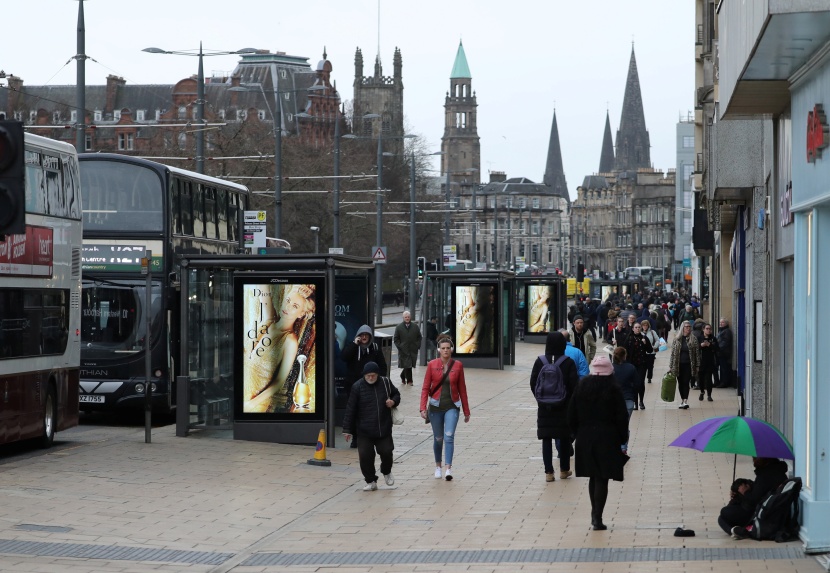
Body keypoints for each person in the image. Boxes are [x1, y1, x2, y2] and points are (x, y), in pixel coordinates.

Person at [568, 355, 629, 530]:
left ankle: (594, 513)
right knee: (603, 477)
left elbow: (571, 413)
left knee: (593, 475)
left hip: (585, 437)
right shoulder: (613, 389)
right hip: (607, 438)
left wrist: (576, 432)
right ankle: (597, 517)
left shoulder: (582, 387)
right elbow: (622, 417)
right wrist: (622, 438)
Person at [243, 284, 316, 413]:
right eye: (288, 300)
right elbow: (262, 287)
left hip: (256, 402)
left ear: (301, 314)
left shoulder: (290, 340)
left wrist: (251, 404)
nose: (287, 307)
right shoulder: (270, 321)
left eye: (295, 306)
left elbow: (279, 381)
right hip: (244, 390)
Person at [342, 362, 400, 491]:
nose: (370, 378)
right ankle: (370, 480)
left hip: (383, 428)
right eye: (368, 376)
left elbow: (396, 394)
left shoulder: (385, 382)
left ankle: (386, 471)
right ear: (364, 375)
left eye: (373, 375)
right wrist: (347, 430)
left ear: (377, 375)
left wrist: (393, 401)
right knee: (365, 456)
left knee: (386, 452)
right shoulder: (357, 387)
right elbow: (351, 409)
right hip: (364, 430)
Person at [530, 331, 579, 482]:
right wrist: (569, 401)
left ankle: (549, 472)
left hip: (545, 407)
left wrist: (541, 399)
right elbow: (574, 385)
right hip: (563, 406)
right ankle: (564, 470)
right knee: (564, 438)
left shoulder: (540, 361)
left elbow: (533, 383)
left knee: (546, 439)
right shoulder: (568, 362)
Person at [420, 334, 471, 481]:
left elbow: (463, 389)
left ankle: (448, 468)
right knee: (438, 438)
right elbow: (425, 388)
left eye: (448, 348)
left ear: (452, 349)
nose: (446, 351)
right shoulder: (432, 365)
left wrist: (466, 411)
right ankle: (438, 466)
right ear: (438, 350)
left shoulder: (458, 366)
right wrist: (422, 407)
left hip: (452, 406)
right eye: (443, 348)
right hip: (435, 407)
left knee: (449, 436)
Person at [341, 325, 388, 447]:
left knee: (366, 412)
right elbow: (344, 357)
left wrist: (379, 381)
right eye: (362, 335)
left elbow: (382, 366)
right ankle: (355, 438)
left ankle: (366, 438)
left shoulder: (375, 348)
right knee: (354, 412)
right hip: (353, 386)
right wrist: (354, 344)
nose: (364, 337)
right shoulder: (353, 347)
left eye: (366, 335)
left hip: (370, 386)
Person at [718, 457, 789, 537]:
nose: (754, 460)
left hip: (759, 512)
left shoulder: (765, 475)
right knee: (723, 517)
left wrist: (745, 492)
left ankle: (737, 531)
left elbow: (753, 500)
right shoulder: (776, 471)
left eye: (756, 458)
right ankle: (734, 530)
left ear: (765, 459)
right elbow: (761, 490)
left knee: (723, 513)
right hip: (768, 509)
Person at [611, 347, 639, 454]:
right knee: (625, 424)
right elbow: (637, 384)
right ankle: (623, 447)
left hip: (614, 401)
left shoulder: (611, 369)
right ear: (624, 356)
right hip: (628, 400)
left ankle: (616, 445)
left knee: (614, 424)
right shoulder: (631, 368)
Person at [668, 321, 700, 409]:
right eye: (686, 327)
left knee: (686, 382)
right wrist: (670, 366)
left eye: (689, 326)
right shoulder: (677, 339)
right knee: (680, 382)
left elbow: (697, 353)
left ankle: (685, 400)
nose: (688, 328)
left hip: (689, 365)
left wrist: (697, 365)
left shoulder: (693, 339)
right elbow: (673, 353)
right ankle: (682, 399)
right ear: (682, 328)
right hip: (678, 365)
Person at [624, 321, 649, 410]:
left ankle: (641, 401)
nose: (638, 329)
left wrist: (645, 343)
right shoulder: (629, 338)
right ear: (633, 329)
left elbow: (649, 350)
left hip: (642, 364)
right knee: (634, 384)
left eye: (639, 327)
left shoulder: (644, 337)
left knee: (640, 383)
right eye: (636, 327)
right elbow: (625, 351)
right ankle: (635, 402)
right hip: (632, 365)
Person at [393, 311, 422, 385]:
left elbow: (419, 337)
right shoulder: (399, 327)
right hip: (404, 350)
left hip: (413, 349)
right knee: (408, 365)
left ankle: (402, 376)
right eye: (405, 317)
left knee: (409, 365)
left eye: (408, 317)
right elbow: (396, 339)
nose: (407, 318)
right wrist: (400, 346)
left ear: (410, 317)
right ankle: (410, 381)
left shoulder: (415, 326)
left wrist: (417, 345)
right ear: (403, 318)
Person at [697, 323, 718, 401]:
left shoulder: (713, 338)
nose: (709, 330)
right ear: (703, 329)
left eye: (710, 329)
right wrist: (701, 345)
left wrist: (710, 345)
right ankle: (702, 392)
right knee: (701, 378)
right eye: (707, 329)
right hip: (701, 361)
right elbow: (695, 348)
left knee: (709, 378)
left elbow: (717, 348)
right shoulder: (699, 337)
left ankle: (709, 395)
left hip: (710, 361)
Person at [716, 318, 734, 388]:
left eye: (722, 322)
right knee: (722, 368)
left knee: (724, 368)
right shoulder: (721, 331)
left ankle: (724, 382)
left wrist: (718, 348)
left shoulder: (726, 331)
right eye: (720, 322)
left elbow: (725, 342)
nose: (721, 324)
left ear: (726, 324)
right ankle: (722, 381)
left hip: (724, 353)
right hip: (721, 352)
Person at [641, 319, 660, 385]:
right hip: (642, 352)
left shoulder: (652, 332)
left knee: (650, 366)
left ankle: (649, 377)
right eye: (644, 325)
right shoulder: (640, 333)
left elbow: (657, 340)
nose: (645, 327)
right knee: (643, 366)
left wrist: (654, 346)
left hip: (651, 352)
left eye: (646, 325)